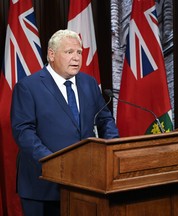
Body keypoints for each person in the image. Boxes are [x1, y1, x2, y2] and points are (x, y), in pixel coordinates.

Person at [10, 29, 119, 216]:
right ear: (51, 55)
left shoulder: (89, 83)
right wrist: (54, 163)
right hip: (42, 184)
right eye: (69, 52)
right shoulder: (28, 87)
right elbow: (23, 131)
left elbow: (105, 119)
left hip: (84, 181)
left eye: (79, 52)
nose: (76, 58)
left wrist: (112, 149)